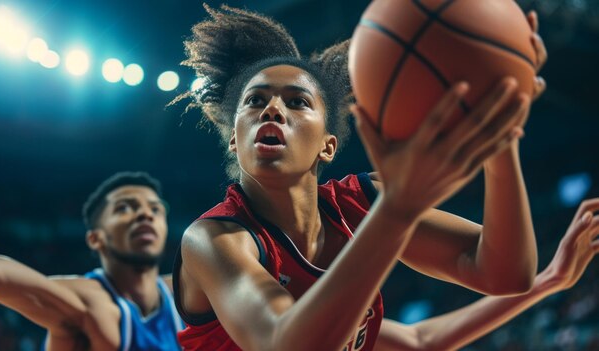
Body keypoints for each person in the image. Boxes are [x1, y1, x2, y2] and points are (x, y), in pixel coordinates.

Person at [170, 5, 549, 351]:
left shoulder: (360, 205)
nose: (272, 109)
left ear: (328, 146)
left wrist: (501, 136)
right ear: (235, 140)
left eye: (297, 101)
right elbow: (284, 344)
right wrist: (396, 213)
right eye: (255, 100)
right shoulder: (213, 240)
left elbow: (504, 274)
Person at [0, 171, 185, 351]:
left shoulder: (188, 291)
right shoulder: (87, 302)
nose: (146, 214)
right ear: (95, 238)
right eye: (124, 208)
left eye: (155, 209)